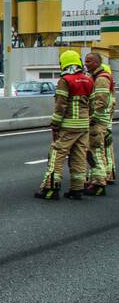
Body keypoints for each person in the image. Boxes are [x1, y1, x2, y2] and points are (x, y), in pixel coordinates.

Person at [36, 50, 93, 200]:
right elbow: (92, 103)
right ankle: (77, 189)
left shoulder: (65, 80)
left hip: (69, 125)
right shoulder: (88, 80)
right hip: (84, 125)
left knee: (57, 154)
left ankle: (51, 188)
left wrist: (55, 123)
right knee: (79, 156)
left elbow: (61, 104)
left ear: (64, 63)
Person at [85, 52, 112, 196]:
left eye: (89, 61)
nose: (86, 64)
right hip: (98, 120)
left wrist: (93, 118)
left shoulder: (101, 79)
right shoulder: (95, 77)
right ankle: (94, 180)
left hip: (97, 121)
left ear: (97, 63)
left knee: (96, 152)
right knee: (93, 152)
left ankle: (99, 184)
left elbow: (100, 101)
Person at [103, 64, 116, 185]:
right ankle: (110, 172)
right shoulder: (111, 92)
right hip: (108, 124)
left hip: (103, 125)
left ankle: (106, 174)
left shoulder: (104, 91)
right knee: (108, 149)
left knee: (101, 150)